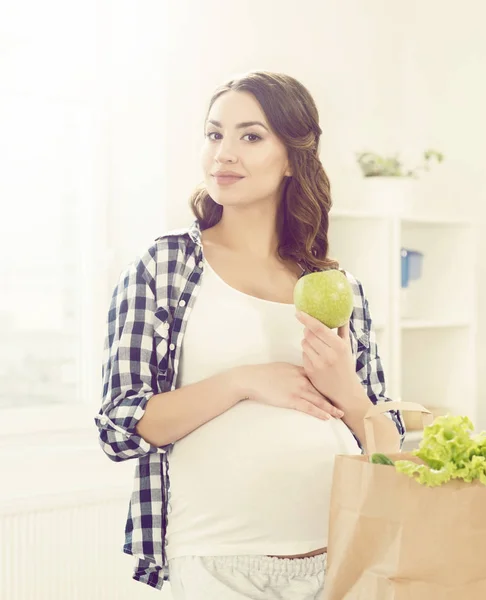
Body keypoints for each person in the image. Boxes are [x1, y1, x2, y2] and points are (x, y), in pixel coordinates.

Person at [95, 70, 406, 599]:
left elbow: (388, 446)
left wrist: (345, 388)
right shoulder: (165, 266)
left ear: (292, 158)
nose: (225, 153)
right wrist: (243, 381)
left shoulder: (334, 286)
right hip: (219, 566)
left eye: (251, 136)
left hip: (342, 560)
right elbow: (121, 425)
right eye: (215, 134)